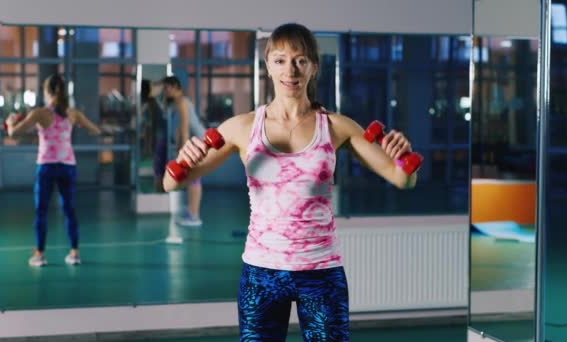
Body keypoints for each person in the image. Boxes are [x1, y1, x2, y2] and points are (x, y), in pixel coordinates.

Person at [163, 23, 418, 341]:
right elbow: (172, 184)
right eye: (281, 59)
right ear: (268, 65)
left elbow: (401, 178)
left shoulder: (337, 127)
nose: (291, 70)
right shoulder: (242, 128)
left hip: (321, 271)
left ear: (314, 66)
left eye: (300, 60)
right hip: (261, 272)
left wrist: (403, 158)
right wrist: (184, 158)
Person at [5, 73, 101, 267]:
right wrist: (79, 123)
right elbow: (95, 130)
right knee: (69, 209)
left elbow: (14, 133)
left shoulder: (40, 113)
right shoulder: (72, 113)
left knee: (41, 210)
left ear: (47, 91)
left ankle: (39, 254)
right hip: (67, 166)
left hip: (47, 166)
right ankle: (74, 253)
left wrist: (9, 122)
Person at [161, 76, 206, 226]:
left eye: (167, 88)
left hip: (197, 142)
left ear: (175, 87)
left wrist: (184, 151)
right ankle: (192, 211)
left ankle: (194, 216)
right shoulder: (177, 103)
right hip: (194, 142)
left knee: (194, 177)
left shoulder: (182, 102)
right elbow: (180, 128)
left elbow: (185, 128)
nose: (165, 91)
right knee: (191, 177)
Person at [140, 79, 166, 192]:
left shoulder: (150, 104)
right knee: (158, 166)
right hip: (158, 135)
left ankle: (160, 190)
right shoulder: (150, 103)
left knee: (158, 166)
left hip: (159, 136)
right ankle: (159, 189)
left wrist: (149, 144)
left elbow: (151, 125)